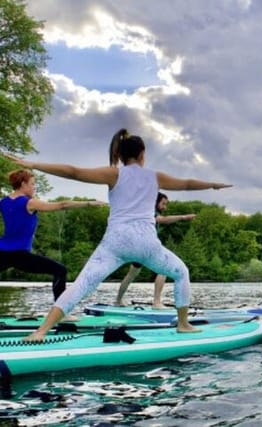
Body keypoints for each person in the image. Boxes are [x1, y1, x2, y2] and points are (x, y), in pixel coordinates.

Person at [3, 128, 232, 341]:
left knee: (82, 284)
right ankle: (183, 324)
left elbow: (73, 172)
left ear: (121, 155)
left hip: (115, 243)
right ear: (142, 154)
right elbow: (187, 184)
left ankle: (41, 331)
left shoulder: (114, 174)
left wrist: (33, 164)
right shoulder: (155, 176)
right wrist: (212, 185)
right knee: (181, 272)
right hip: (146, 243)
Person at [0, 169, 105, 320]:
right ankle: (61, 314)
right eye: (32, 184)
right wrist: (88, 203)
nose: (34, 187)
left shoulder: (3, 202)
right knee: (60, 271)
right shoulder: (29, 203)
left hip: (2, 252)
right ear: (23, 184)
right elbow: (61, 205)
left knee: (59, 271)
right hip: (19, 255)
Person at [114, 192, 196, 308]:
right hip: (145, 246)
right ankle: (157, 302)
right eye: (163, 204)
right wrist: (183, 217)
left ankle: (118, 301)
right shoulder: (149, 212)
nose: (165, 207)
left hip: (137, 247)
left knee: (132, 274)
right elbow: (163, 220)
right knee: (163, 269)